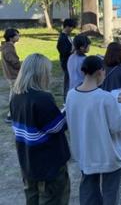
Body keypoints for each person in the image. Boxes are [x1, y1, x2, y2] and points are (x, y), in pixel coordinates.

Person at [66, 55, 121, 205]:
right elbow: (120, 125)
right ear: (100, 72)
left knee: (88, 191)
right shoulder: (105, 98)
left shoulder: (71, 95)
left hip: (85, 152)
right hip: (108, 153)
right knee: (110, 193)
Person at [10, 53, 70, 204]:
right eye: (47, 71)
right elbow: (57, 127)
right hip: (49, 165)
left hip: (28, 162)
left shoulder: (16, 96)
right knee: (54, 199)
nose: (49, 74)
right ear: (39, 74)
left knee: (32, 199)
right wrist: (67, 112)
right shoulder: (42, 98)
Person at [1, 28, 20, 123]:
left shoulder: (8, 46)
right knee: (14, 96)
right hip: (13, 75)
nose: (18, 37)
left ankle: (12, 114)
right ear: (11, 37)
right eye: (17, 35)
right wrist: (22, 66)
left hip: (12, 75)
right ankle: (11, 115)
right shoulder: (8, 48)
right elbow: (14, 62)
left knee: (16, 95)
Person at [57, 18, 76, 99]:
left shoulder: (68, 36)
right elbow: (65, 52)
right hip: (66, 62)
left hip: (70, 61)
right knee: (67, 81)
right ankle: (66, 98)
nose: (72, 29)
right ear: (67, 27)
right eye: (71, 27)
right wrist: (74, 48)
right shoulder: (62, 38)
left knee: (70, 80)